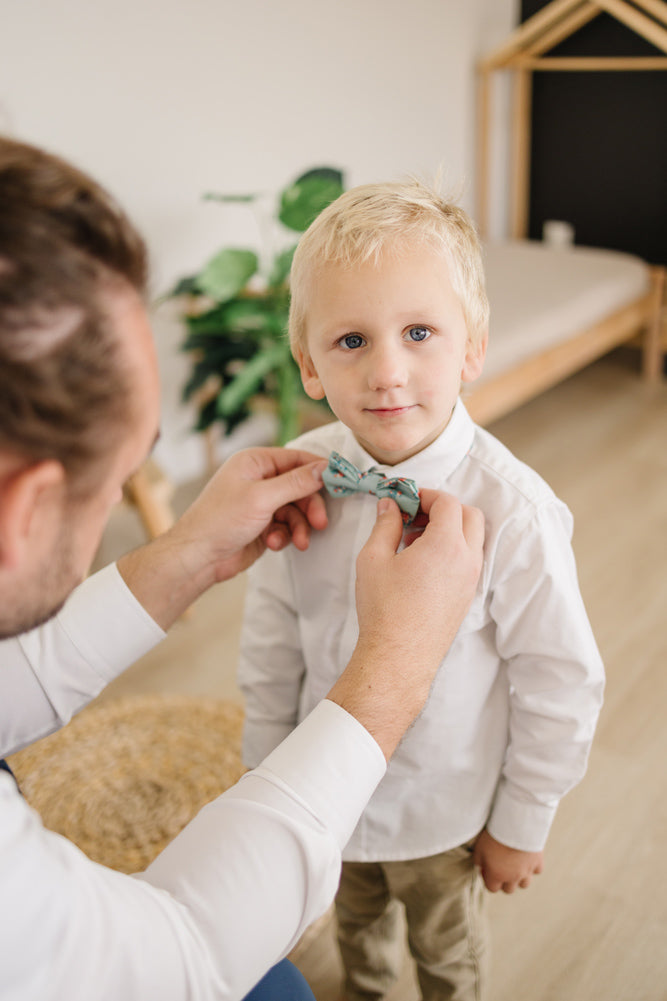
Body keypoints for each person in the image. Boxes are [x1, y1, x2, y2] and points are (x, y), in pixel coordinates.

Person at [0, 138, 486, 1001]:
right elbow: (180, 960)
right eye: (123, 483)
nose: (386, 369)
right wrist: (396, 666)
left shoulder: (512, 506)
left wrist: (182, 553)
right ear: (19, 511)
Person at [238, 180, 606, 1000]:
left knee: (446, 958)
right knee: (356, 938)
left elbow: (560, 677)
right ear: (308, 363)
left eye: (417, 332)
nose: (387, 371)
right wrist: (267, 780)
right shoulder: (300, 479)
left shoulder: (514, 510)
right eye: (350, 340)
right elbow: (270, 637)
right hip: (324, 798)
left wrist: (522, 819)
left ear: (471, 347)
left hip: (445, 810)